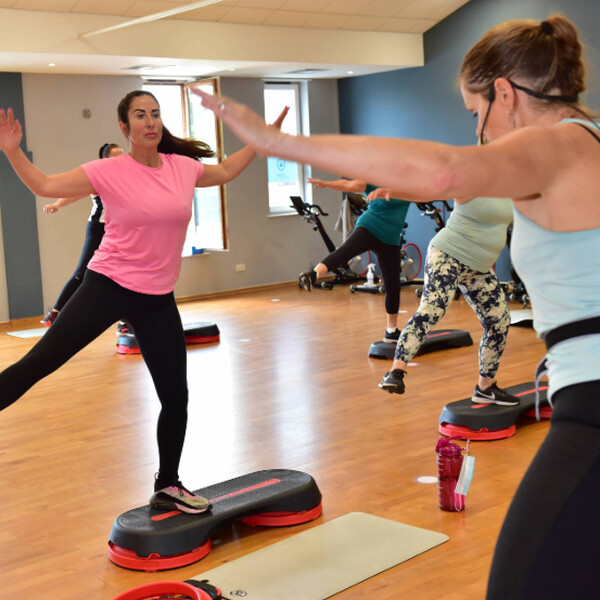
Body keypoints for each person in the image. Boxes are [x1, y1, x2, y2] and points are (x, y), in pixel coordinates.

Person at [193, 15, 600, 597]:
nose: (477, 127)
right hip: (576, 382)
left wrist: (275, 142)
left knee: (521, 580)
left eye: (473, 112)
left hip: (592, 400)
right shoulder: (590, 139)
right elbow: (437, 182)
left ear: (504, 95)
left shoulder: (553, 143)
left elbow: (444, 169)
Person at [0, 90, 287, 514]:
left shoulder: (182, 168)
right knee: (39, 363)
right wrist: (11, 151)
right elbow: (44, 185)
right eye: (140, 115)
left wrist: (262, 143)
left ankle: (167, 483)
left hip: (157, 298)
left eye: (155, 114)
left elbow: (224, 171)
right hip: (108, 284)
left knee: (176, 397)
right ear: (124, 127)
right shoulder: (108, 170)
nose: (150, 121)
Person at [373, 188, 517, 405]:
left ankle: (485, 388)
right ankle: (395, 373)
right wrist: (394, 191)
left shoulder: (512, 190)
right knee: (434, 308)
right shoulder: (470, 184)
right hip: (448, 255)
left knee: (499, 321)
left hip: (479, 268)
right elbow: (430, 191)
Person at [300, 177, 411, 342]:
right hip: (369, 227)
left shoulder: (409, 184)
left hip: (391, 240)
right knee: (344, 252)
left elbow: (430, 191)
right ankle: (312, 275)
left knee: (393, 285)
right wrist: (326, 184)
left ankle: (391, 331)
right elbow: (349, 185)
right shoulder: (375, 179)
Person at [40, 143, 130, 336]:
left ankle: (125, 321)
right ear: (104, 160)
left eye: (122, 156)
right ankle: (55, 313)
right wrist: (57, 204)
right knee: (82, 273)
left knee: (125, 275)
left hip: (118, 231)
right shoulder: (99, 178)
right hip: (98, 229)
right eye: (115, 157)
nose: (120, 160)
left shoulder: (126, 178)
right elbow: (74, 194)